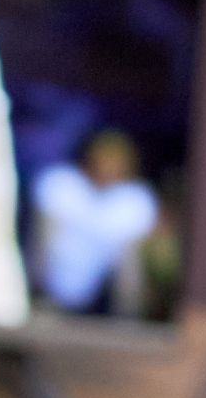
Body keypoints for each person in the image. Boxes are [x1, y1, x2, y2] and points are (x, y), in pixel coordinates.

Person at [31, 128, 161, 314]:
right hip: (49, 295)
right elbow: (41, 247)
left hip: (100, 301)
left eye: (116, 161)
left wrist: (127, 318)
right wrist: (37, 298)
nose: (109, 167)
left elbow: (130, 268)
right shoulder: (60, 184)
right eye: (104, 159)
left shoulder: (135, 201)